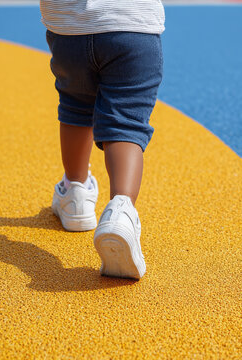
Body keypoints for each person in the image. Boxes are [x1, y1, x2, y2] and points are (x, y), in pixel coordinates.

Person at [41, 0, 164, 280]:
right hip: (133, 25)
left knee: (75, 105)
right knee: (126, 121)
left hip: (68, 29)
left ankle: (76, 194)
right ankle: (121, 210)